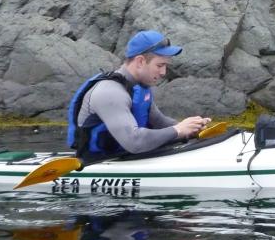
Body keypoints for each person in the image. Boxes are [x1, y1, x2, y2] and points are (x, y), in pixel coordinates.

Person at [67, 30, 211, 160]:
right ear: (140, 61)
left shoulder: (140, 87)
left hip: (124, 157)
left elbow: (159, 122)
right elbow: (135, 142)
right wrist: (178, 130)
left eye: (165, 66)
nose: (163, 73)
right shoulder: (110, 93)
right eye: (160, 65)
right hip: (97, 162)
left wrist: (190, 129)